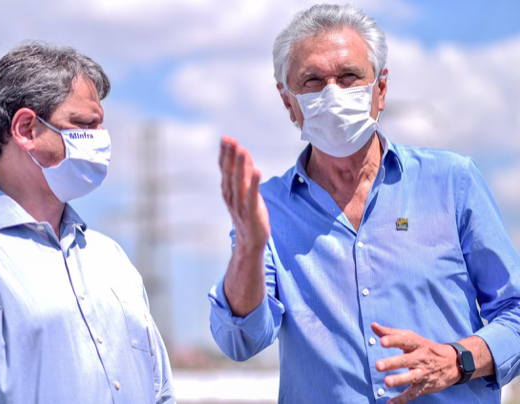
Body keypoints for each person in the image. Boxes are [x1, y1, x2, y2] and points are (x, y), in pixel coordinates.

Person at [209, 4, 520, 404]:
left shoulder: (452, 181)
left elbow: (515, 310)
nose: (333, 93)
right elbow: (240, 340)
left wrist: (457, 360)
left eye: (349, 76)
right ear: (289, 103)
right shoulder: (265, 210)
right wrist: (249, 250)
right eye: (312, 81)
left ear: (381, 89)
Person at [0, 42, 175, 404]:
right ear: (26, 129)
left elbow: (160, 390)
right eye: (84, 125)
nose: (101, 140)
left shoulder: (112, 258)